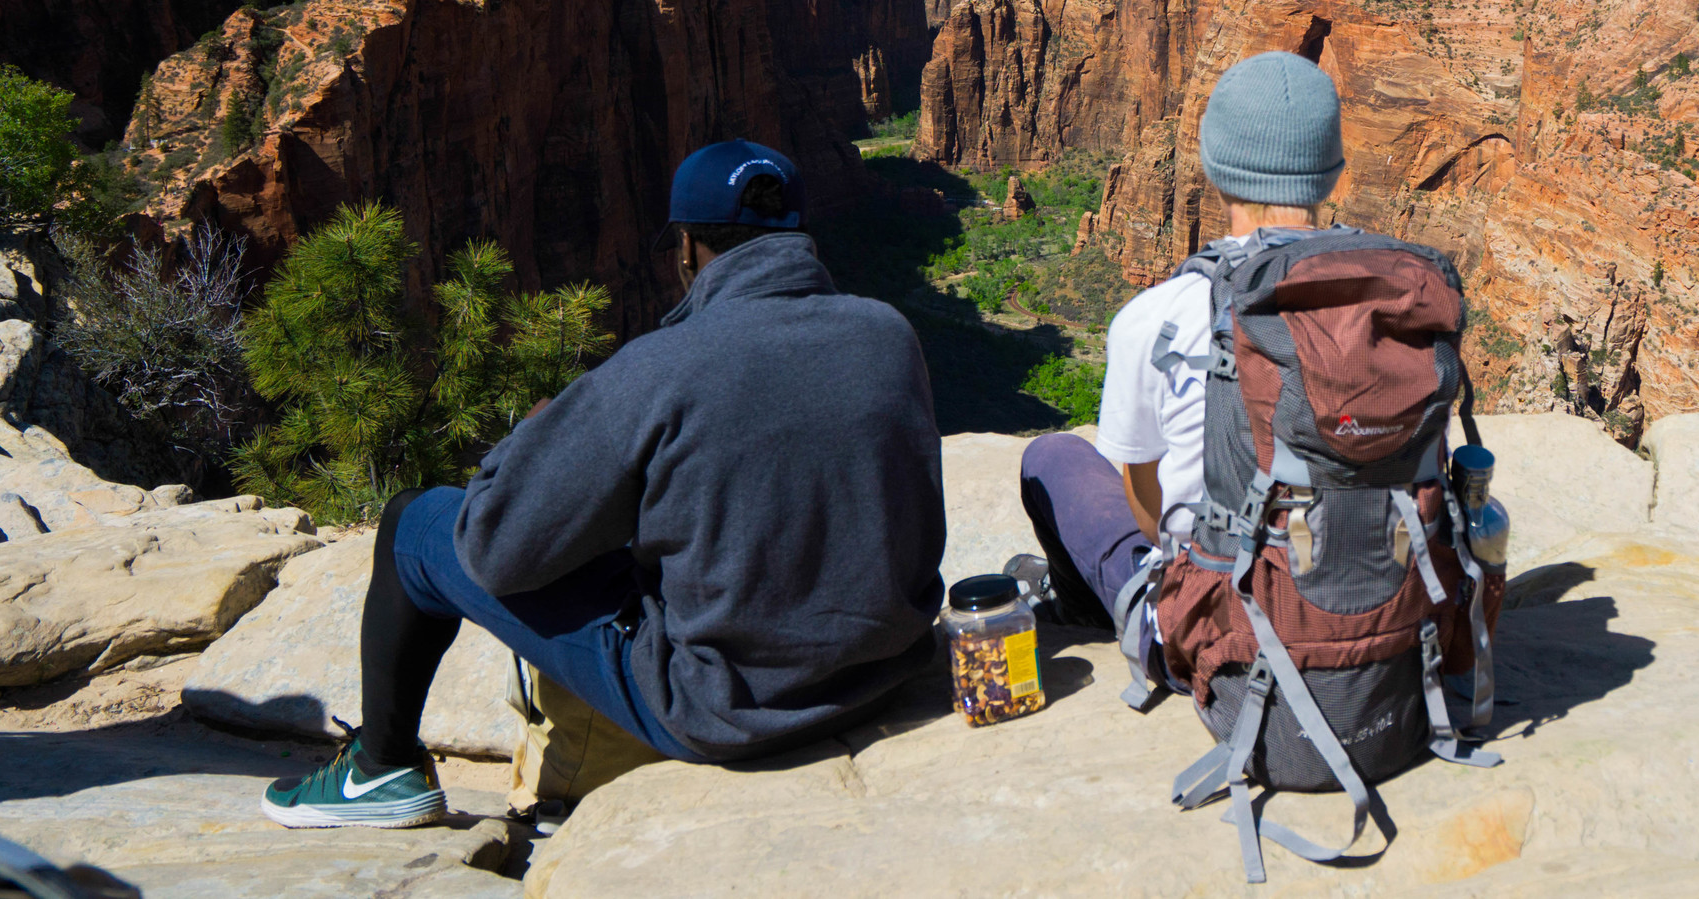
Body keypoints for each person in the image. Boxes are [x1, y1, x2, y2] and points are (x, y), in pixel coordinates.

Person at [260, 140, 946, 829]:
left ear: (686, 250)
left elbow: (497, 547)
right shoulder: (890, 333)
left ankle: (381, 771)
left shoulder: (658, 369)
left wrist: (530, 440)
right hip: (884, 676)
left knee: (414, 525)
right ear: (798, 234)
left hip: (723, 707)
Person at [1009, 51, 1344, 645]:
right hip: (1382, 628)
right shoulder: (1397, 301)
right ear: (1334, 172)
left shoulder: (1154, 318)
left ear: (1213, 171)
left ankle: (1094, 613)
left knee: (1053, 456)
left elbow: (1149, 513)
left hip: (1224, 645)